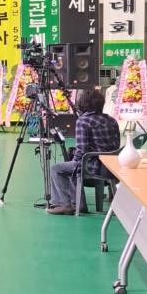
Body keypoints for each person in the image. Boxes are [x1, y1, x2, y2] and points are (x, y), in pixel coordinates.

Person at [47, 86, 121, 215]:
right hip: (111, 165)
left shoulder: (83, 121)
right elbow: (116, 144)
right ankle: (78, 203)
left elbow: (82, 151)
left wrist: (73, 160)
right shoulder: (111, 120)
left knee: (58, 168)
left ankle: (64, 204)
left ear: (82, 104)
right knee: (73, 165)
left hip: (94, 165)